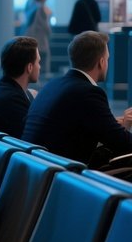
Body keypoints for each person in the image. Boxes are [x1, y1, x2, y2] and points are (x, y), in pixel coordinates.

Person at [22, 30, 132, 165]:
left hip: (38, 166)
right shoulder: (88, 93)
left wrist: (114, 126)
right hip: (62, 172)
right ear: (101, 62)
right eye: (107, 59)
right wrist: (123, 129)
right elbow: (122, 144)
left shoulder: (52, 85)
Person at [26, 0, 52, 76]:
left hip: (32, 34)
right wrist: (49, 32)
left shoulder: (32, 6)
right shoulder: (40, 8)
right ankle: (43, 74)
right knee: (43, 56)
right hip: (39, 36)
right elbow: (44, 23)